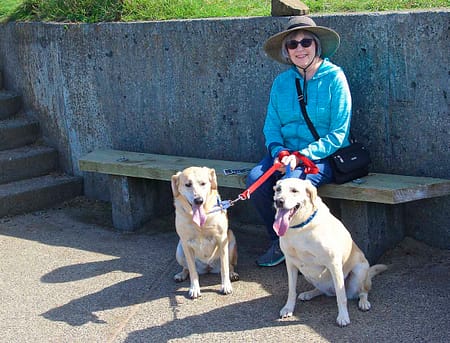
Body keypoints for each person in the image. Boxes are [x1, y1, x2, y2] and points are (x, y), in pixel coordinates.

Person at [247, 16, 352, 267]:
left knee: (292, 185)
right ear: (286, 52)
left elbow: (339, 132)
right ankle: (279, 240)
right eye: (292, 45)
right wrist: (279, 151)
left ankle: (309, 246)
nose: (300, 48)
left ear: (316, 45)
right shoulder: (281, 83)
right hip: (284, 154)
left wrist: (301, 154)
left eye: (306, 42)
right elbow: (271, 125)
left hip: (321, 156)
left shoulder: (335, 78)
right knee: (255, 180)